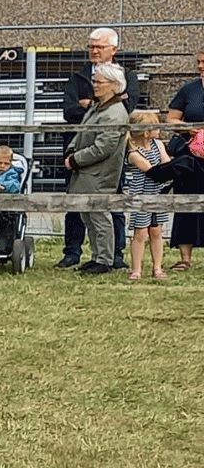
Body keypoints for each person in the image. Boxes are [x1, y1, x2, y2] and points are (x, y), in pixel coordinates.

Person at [57, 29, 133, 267]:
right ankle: (95, 256)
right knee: (87, 216)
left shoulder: (114, 113)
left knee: (100, 216)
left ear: (114, 85)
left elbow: (105, 146)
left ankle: (106, 258)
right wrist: (71, 152)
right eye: (94, 81)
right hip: (86, 170)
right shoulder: (98, 107)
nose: (94, 86)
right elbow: (77, 123)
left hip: (99, 173)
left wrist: (76, 159)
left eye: (99, 83)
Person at [147, 119, 204, 271]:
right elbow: (172, 118)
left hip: (190, 160)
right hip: (191, 158)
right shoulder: (186, 160)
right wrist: (188, 128)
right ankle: (185, 259)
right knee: (185, 209)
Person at [120, 110, 171, 280]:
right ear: (146, 132)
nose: (159, 130)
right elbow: (151, 170)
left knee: (156, 231)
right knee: (140, 233)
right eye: (155, 127)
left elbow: (165, 162)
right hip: (142, 194)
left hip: (158, 192)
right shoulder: (134, 153)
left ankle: (157, 267)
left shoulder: (158, 145)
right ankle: (136, 269)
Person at [169, 48, 204, 125]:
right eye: (198, 62)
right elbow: (171, 119)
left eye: (203, 62)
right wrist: (188, 128)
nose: (200, 66)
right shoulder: (188, 89)